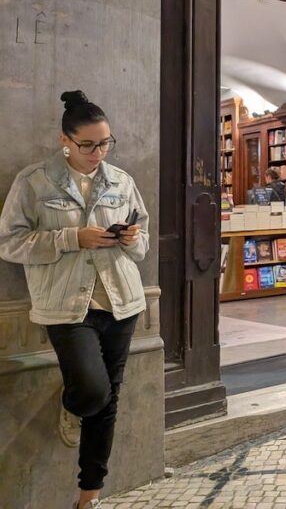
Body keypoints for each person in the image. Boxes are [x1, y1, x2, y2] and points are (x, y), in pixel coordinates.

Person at [0, 91, 149, 509]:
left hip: (121, 301)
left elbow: (143, 246)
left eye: (105, 143)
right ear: (64, 139)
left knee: (108, 399)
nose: (98, 153)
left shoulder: (122, 181)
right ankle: (76, 403)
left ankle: (89, 497)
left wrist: (133, 239)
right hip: (66, 305)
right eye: (88, 144)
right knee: (92, 393)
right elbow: (9, 243)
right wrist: (71, 238)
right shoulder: (34, 181)